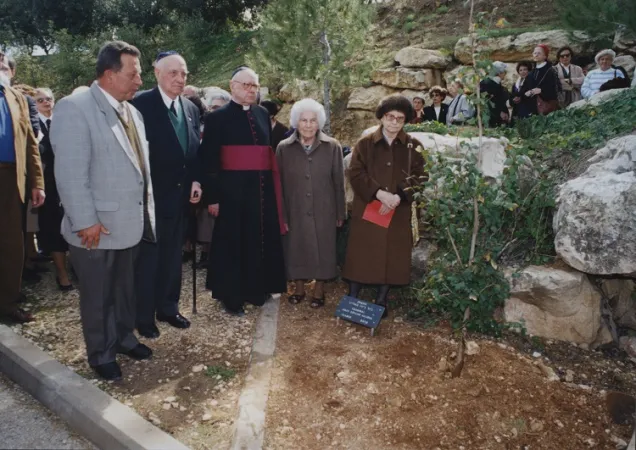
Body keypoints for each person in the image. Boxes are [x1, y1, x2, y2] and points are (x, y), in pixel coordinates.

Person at [50, 41, 156, 381]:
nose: (139, 81)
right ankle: (101, 353)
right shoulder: (74, 108)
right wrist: (85, 221)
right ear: (110, 75)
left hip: (128, 224)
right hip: (95, 227)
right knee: (98, 296)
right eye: (134, 74)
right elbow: (69, 173)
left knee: (124, 291)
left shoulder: (133, 112)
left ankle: (123, 338)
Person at [199, 67, 286, 316]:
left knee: (258, 239)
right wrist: (213, 197)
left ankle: (256, 289)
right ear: (232, 86)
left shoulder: (261, 113)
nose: (250, 90)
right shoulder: (217, 118)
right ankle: (231, 295)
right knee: (232, 242)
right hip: (231, 193)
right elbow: (209, 161)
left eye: (254, 86)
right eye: (246, 85)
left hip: (260, 191)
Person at [130, 52, 202, 339]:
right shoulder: (139, 106)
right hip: (151, 198)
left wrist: (197, 180)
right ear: (157, 73)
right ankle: (143, 316)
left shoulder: (191, 109)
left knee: (173, 257)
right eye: (173, 73)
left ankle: (168, 308)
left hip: (182, 198)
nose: (179, 78)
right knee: (149, 259)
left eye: (183, 73)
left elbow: (195, 151)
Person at [342, 94, 425, 318]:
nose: (394, 123)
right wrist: (378, 193)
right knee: (361, 252)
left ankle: (381, 299)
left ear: (405, 120)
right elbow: (356, 172)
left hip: (397, 210)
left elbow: (420, 176)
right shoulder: (365, 144)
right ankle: (352, 297)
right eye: (390, 117)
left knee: (392, 255)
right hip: (369, 206)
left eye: (400, 118)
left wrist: (398, 195)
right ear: (382, 117)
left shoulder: (414, 146)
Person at [276, 99, 346, 308]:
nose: (308, 125)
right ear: (296, 122)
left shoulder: (332, 146)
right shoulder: (283, 148)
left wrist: (340, 213)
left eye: (312, 120)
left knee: (324, 248)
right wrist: (282, 215)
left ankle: (319, 290)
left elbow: (339, 182)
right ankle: (298, 288)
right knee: (296, 247)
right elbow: (277, 184)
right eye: (303, 120)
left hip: (325, 208)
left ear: (319, 123)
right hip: (294, 207)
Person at [0, 53, 45, 324]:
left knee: (11, 245)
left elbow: (30, 143)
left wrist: (38, 182)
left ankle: (7, 303)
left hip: (10, 179)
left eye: (3, 65)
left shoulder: (16, 97)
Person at [33, 88, 74, 291]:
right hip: (48, 185)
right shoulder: (33, 124)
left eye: (49, 98)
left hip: (70, 180)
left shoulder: (64, 121)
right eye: (40, 100)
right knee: (53, 228)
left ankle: (78, 267)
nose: (46, 102)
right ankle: (62, 273)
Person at [196, 88, 231, 267]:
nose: (215, 111)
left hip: (229, 188)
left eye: (220, 108)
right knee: (206, 225)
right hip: (209, 187)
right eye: (212, 107)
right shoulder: (206, 128)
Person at [522, 45, 560, 115]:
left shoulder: (551, 70)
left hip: (548, 108)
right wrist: (524, 94)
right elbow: (524, 89)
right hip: (534, 108)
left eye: (539, 53)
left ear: (545, 56)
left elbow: (557, 88)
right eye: (534, 53)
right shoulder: (531, 73)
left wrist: (541, 90)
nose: (536, 55)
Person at [480, 61, 510, 127]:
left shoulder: (497, 84)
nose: (505, 74)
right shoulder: (486, 83)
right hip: (490, 121)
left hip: (499, 119)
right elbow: (486, 103)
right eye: (504, 72)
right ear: (500, 73)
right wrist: (500, 112)